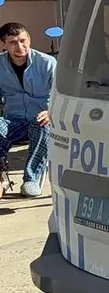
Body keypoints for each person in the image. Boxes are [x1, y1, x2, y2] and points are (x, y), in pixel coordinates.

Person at [0, 22, 55, 197]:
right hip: (13, 119)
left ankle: (31, 179)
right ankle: (2, 176)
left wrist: (51, 111)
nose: (19, 46)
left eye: (23, 41)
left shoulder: (47, 62)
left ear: (29, 40)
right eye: (13, 42)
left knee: (43, 126)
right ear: (3, 44)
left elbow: (61, 93)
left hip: (41, 118)